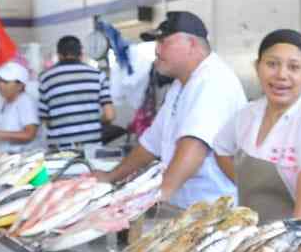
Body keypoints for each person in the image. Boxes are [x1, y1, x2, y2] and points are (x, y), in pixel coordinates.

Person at [96, 11, 245, 208]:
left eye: (163, 42)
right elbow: (151, 143)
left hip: (214, 210)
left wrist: (154, 197)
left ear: (191, 44)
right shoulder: (181, 84)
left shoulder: (212, 80)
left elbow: (194, 147)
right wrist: (111, 177)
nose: (156, 50)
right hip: (185, 207)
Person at [213, 30, 301, 222]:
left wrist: (293, 234)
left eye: (294, 67)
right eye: (272, 64)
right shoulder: (247, 114)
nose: (281, 75)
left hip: (299, 237)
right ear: (257, 67)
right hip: (250, 232)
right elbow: (221, 148)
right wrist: (245, 184)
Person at [38, 35, 114, 148]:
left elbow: (45, 119)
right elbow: (109, 115)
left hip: (59, 147)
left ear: (58, 55)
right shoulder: (98, 75)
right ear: (81, 54)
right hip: (92, 144)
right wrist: (91, 122)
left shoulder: (45, 77)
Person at [0, 63, 40, 152]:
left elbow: (29, 134)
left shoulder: (25, 102)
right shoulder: (5, 103)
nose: (0, 85)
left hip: (21, 157)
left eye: (6, 82)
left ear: (20, 86)